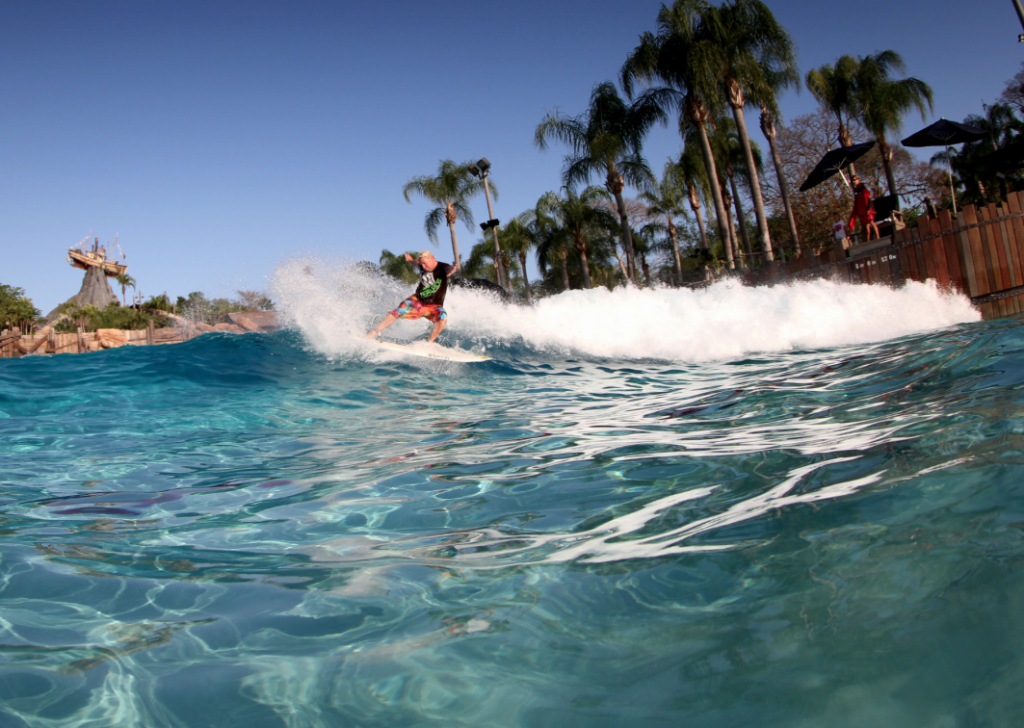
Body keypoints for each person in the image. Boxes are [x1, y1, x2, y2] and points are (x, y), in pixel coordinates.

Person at [366, 250, 459, 344]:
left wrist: (452, 269)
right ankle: (373, 333)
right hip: (418, 300)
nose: (423, 266)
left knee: (442, 317)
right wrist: (410, 260)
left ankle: (429, 343)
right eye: (421, 263)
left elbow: (449, 268)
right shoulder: (421, 266)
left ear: (432, 259)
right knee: (397, 311)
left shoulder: (443, 267)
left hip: (434, 305)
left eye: (425, 263)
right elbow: (416, 263)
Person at [848, 175, 880, 241]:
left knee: (872, 223)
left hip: (867, 210)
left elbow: (868, 198)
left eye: (854, 180)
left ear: (858, 180)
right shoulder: (856, 190)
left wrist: (868, 208)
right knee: (866, 226)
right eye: (852, 180)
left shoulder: (863, 189)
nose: (853, 181)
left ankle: (878, 238)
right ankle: (868, 241)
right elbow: (857, 202)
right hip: (862, 211)